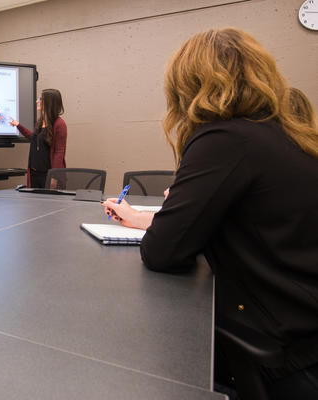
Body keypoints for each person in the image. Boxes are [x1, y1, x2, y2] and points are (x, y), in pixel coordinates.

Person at [102, 28, 318, 399]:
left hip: (283, 356)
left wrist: (172, 217)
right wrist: (151, 217)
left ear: (188, 85)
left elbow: (162, 252)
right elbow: (249, 222)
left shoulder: (225, 139)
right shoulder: (286, 134)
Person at [10, 89, 67, 188]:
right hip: (34, 174)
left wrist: (54, 177)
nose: (37, 101)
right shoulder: (40, 122)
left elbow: (59, 152)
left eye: (40, 99)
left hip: (48, 175)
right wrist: (18, 125)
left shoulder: (59, 124)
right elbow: (33, 138)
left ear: (49, 102)